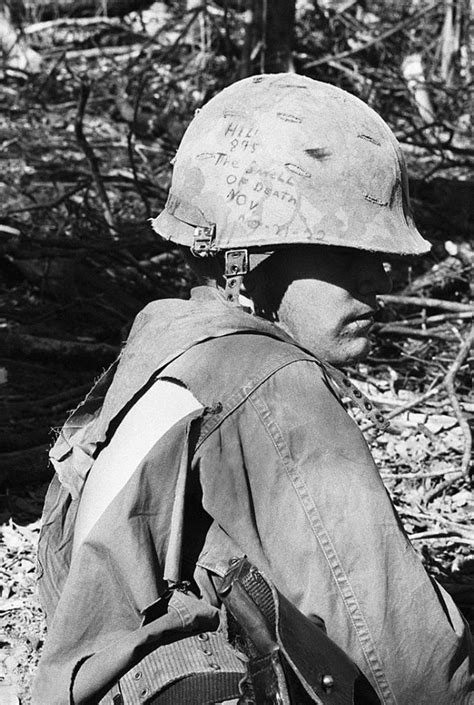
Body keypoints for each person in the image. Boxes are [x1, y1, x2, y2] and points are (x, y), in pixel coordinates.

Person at [33, 74, 473, 705]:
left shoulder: (170, 341)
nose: (381, 274)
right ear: (252, 256)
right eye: (349, 252)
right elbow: (408, 667)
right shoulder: (271, 384)